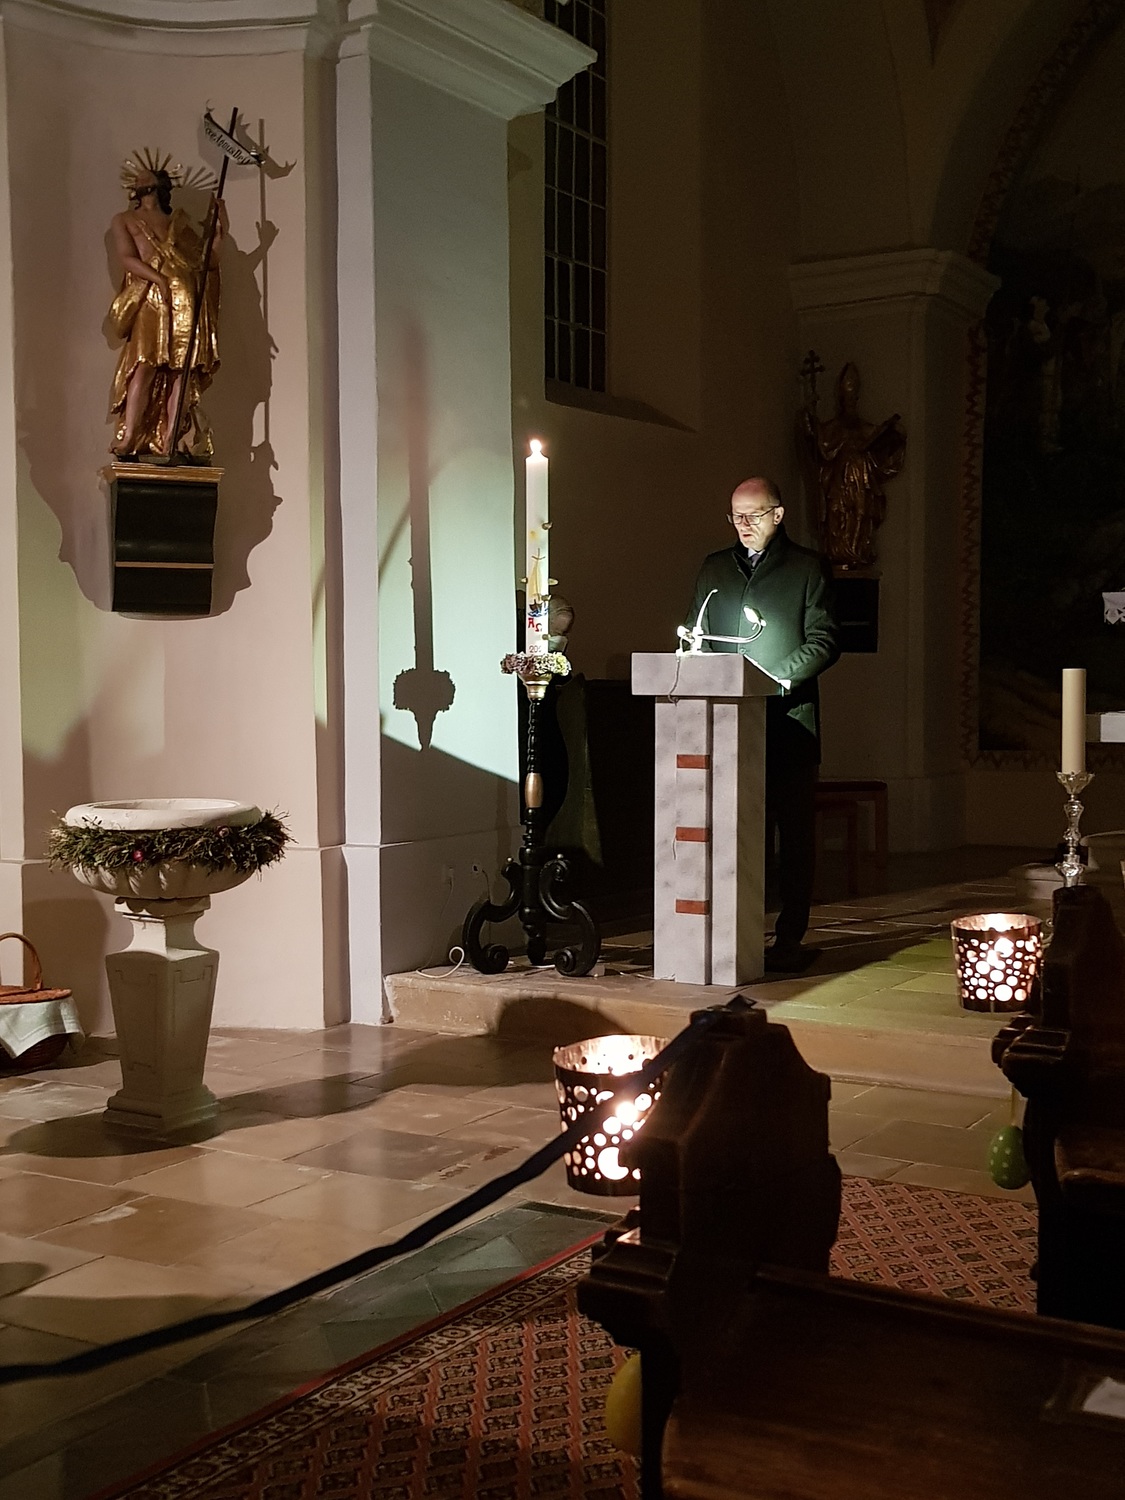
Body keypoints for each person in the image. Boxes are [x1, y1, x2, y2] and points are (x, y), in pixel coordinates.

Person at [685, 477, 839, 971]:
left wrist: (774, 680)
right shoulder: (714, 567)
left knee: (792, 839)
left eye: (753, 515)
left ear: (778, 514)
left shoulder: (807, 567)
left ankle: (789, 937)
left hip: (788, 726)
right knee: (732, 834)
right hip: (726, 728)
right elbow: (697, 637)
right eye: (736, 516)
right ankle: (733, 933)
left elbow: (824, 639)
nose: (743, 524)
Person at [108, 159, 223, 459]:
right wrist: (158, 279)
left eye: (145, 178)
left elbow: (206, 262)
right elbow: (127, 258)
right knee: (144, 364)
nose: (137, 180)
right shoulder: (124, 220)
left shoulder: (179, 223)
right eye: (136, 179)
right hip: (151, 298)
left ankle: (171, 436)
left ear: (158, 185)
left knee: (181, 370)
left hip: (184, 298)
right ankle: (130, 435)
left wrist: (219, 233)